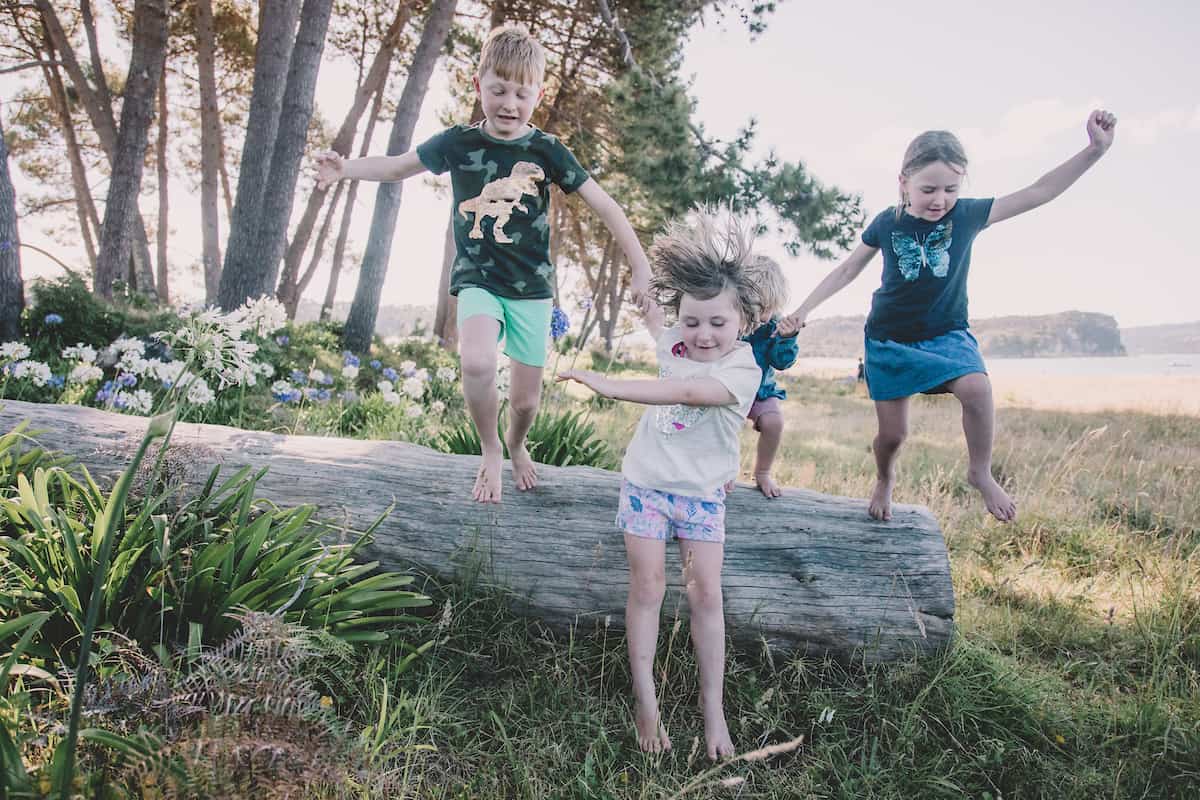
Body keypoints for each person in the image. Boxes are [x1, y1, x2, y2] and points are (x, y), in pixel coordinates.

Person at [315, 24, 651, 503]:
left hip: (532, 289)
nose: (509, 104)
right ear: (479, 86)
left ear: (538, 93)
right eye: (498, 90)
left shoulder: (547, 151)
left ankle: (516, 440)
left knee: (526, 401)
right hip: (479, 279)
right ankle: (490, 446)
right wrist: (345, 168)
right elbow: (397, 166)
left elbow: (606, 206)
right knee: (475, 360)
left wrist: (638, 265)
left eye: (521, 93)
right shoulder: (458, 143)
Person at [780, 111, 1117, 523]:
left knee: (977, 389)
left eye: (950, 189)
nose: (939, 199)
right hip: (889, 340)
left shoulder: (967, 215)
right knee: (892, 436)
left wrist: (1094, 151)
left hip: (947, 333)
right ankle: (885, 476)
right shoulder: (888, 223)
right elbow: (847, 269)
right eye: (928, 189)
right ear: (903, 183)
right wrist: (802, 311)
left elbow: (1039, 192)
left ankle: (980, 471)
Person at [557, 210, 764, 760]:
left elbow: (690, 396)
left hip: (700, 498)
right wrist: (614, 217)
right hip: (646, 487)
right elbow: (647, 284)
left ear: (742, 319)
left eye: (718, 323)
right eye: (692, 321)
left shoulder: (743, 370)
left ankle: (712, 709)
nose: (702, 334)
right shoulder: (671, 341)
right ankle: (646, 702)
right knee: (647, 590)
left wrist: (606, 385)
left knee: (705, 597)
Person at [738, 255, 798, 498]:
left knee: (774, 423)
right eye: (756, 307)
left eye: (768, 308)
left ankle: (763, 472)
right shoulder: (729, 321)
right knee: (724, 427)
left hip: (760, 390)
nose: (762, 315)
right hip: (727, 390)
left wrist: (787, 338)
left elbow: (782, 362)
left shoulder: (775, 325)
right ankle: (721, 472)